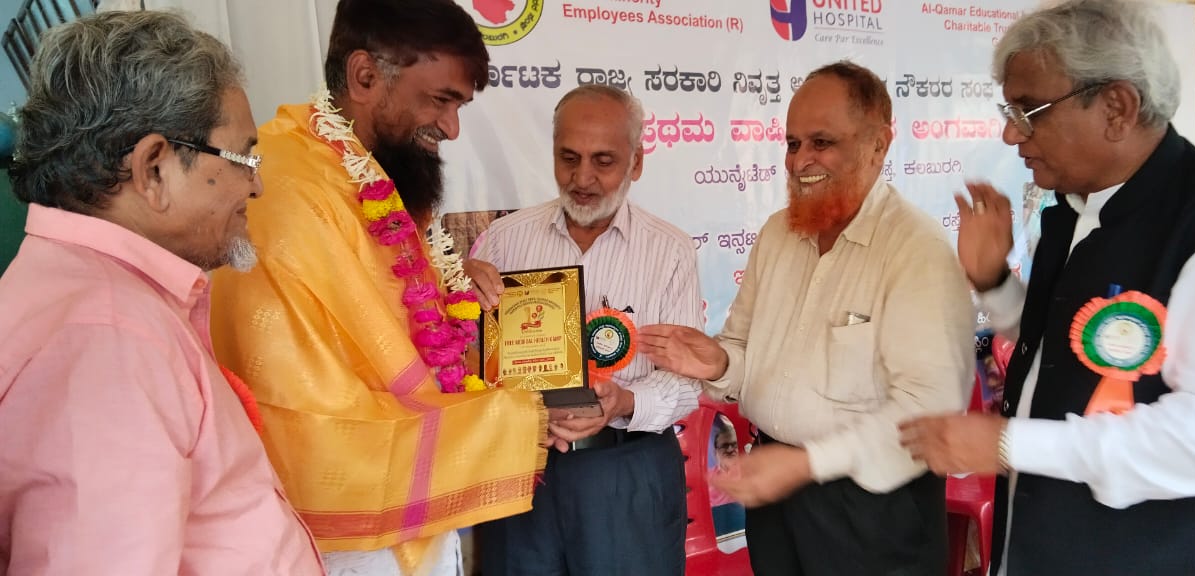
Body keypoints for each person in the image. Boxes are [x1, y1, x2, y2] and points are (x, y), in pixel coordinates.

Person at [897, 1, 1195, 575]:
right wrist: (993, 280)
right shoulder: (1077, 208)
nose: (1010, 133)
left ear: (1117, 108)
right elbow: (1067, 350)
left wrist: (1010, 444)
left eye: (1028, 110)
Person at [209, 1, 546, 574]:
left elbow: (400, 328)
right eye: (440, 100)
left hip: (414, 523)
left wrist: (453, 292)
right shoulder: (282, 194)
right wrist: (512, 421)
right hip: (337, 539)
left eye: (459, 106)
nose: (452, 128)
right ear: (365, 76)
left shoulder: (371, 172)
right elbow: (301, 409)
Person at [0, 11, 323, 574]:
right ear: (153, 169)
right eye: (244, 158)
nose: (257, 185)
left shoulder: (99, 298)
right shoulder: (106, 343)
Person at [638, 61, 974, 576]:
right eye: (793, 144)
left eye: (822, 143)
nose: (800, 162)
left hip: (873, 509)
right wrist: (719, 362)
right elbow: (743, 350)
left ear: (878, 145)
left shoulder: (917, 249)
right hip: (776, 493)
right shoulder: (778, 234)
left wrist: (806, 464)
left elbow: (928, 410)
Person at [465, 84, 703, 576]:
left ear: (636, 163)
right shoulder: (503, 241)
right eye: (568, 158)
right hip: (523, 470)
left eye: (604, 161)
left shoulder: (670, 251)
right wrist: (460, 303)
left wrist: (624, 401)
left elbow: (686, 382)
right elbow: (466, 359)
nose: (582, 178)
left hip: (626, 473)